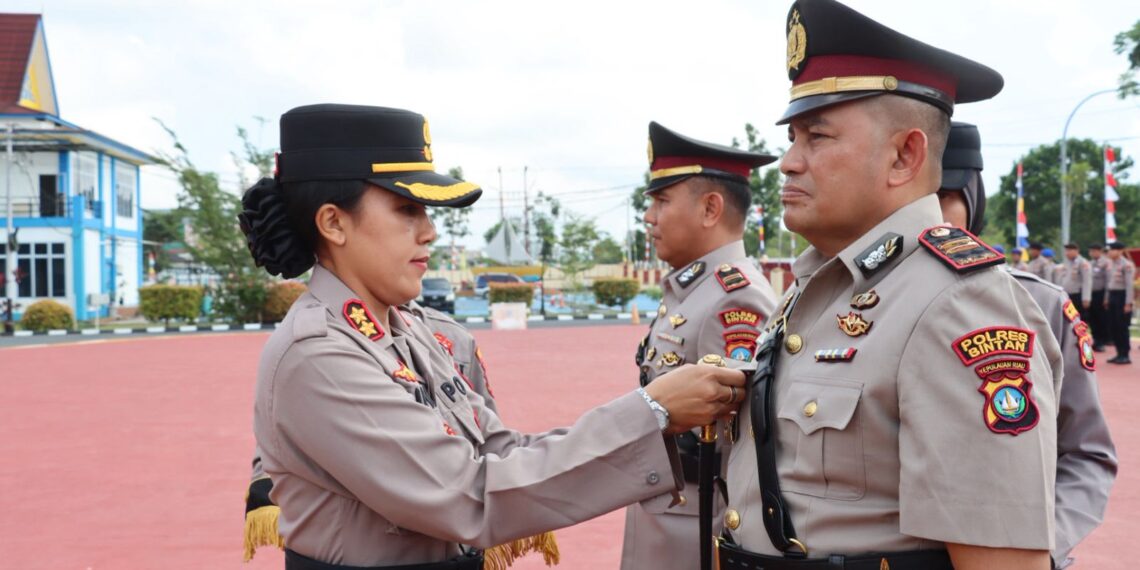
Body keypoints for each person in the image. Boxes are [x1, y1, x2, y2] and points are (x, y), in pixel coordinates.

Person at [239, 103, 748, 569]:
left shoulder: (410, 330)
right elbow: (467, 494)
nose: (429, 231)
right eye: (407, 209)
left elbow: (500, 450)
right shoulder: (319, 353)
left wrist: (654, 418)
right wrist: (650, 411)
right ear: (333, 223)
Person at [719, 1, 1062, 569]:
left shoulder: (956, 302)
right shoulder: (818, 286)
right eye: (793, 137)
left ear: (905, 156)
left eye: (816, 137)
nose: (788, 162)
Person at [936, 121, 1117, 569]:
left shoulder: (1039, 303)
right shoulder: (853, 305)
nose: (929, 215)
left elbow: (1086, 453)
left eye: (944, 197)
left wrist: (1040, 550)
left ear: (973, 200)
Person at [621, 122, 779, 570]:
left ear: (711, 208)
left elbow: (744, 441)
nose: (648, 216)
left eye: (662, 201)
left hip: (700, 519)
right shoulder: (692, 290)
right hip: (669, 505)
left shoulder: (735, 298)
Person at [242, 300, 507, 562]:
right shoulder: (318, 345)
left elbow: (480, 425)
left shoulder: (444, 333)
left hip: (458, 530)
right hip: (378, 533)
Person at [1105, 242, 1136, 364]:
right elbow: (1109, 283)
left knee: (1122, 326)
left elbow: (1129, 286)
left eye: (1112, 250)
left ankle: (1125, 354)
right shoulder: (1110, 264)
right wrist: (1107, 298)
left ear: (1120, 251)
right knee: (1113, 326)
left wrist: (1128, 303)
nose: (1109, 252)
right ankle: (1118, 353)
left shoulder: (1127, 265)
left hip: (1122, 297)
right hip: (1112, 296)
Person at [1058, 243, 1093, 323]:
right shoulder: (1066, 262)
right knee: (1068, 319)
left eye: (1069, 250)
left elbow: (1087, 281)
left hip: (1078, 295)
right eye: (1066, 251)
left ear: (1076, 251)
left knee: (1079, 319)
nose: (1067, 253)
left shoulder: (1083, 263)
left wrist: (1086, 298)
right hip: (1067, 295)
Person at [1088, 244, 1111, 350]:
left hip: (1101, 294)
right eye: (1091, 251)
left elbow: (1108, 281)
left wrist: (1106, 297)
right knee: (1092, 318)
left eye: (1094, 251)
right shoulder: (1090, 263)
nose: (1092, 253)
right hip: (1091, 294)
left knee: (1101, 319)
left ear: (1100, 251)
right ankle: (1096, 340)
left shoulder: (1106, 263)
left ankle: (1101, 341)